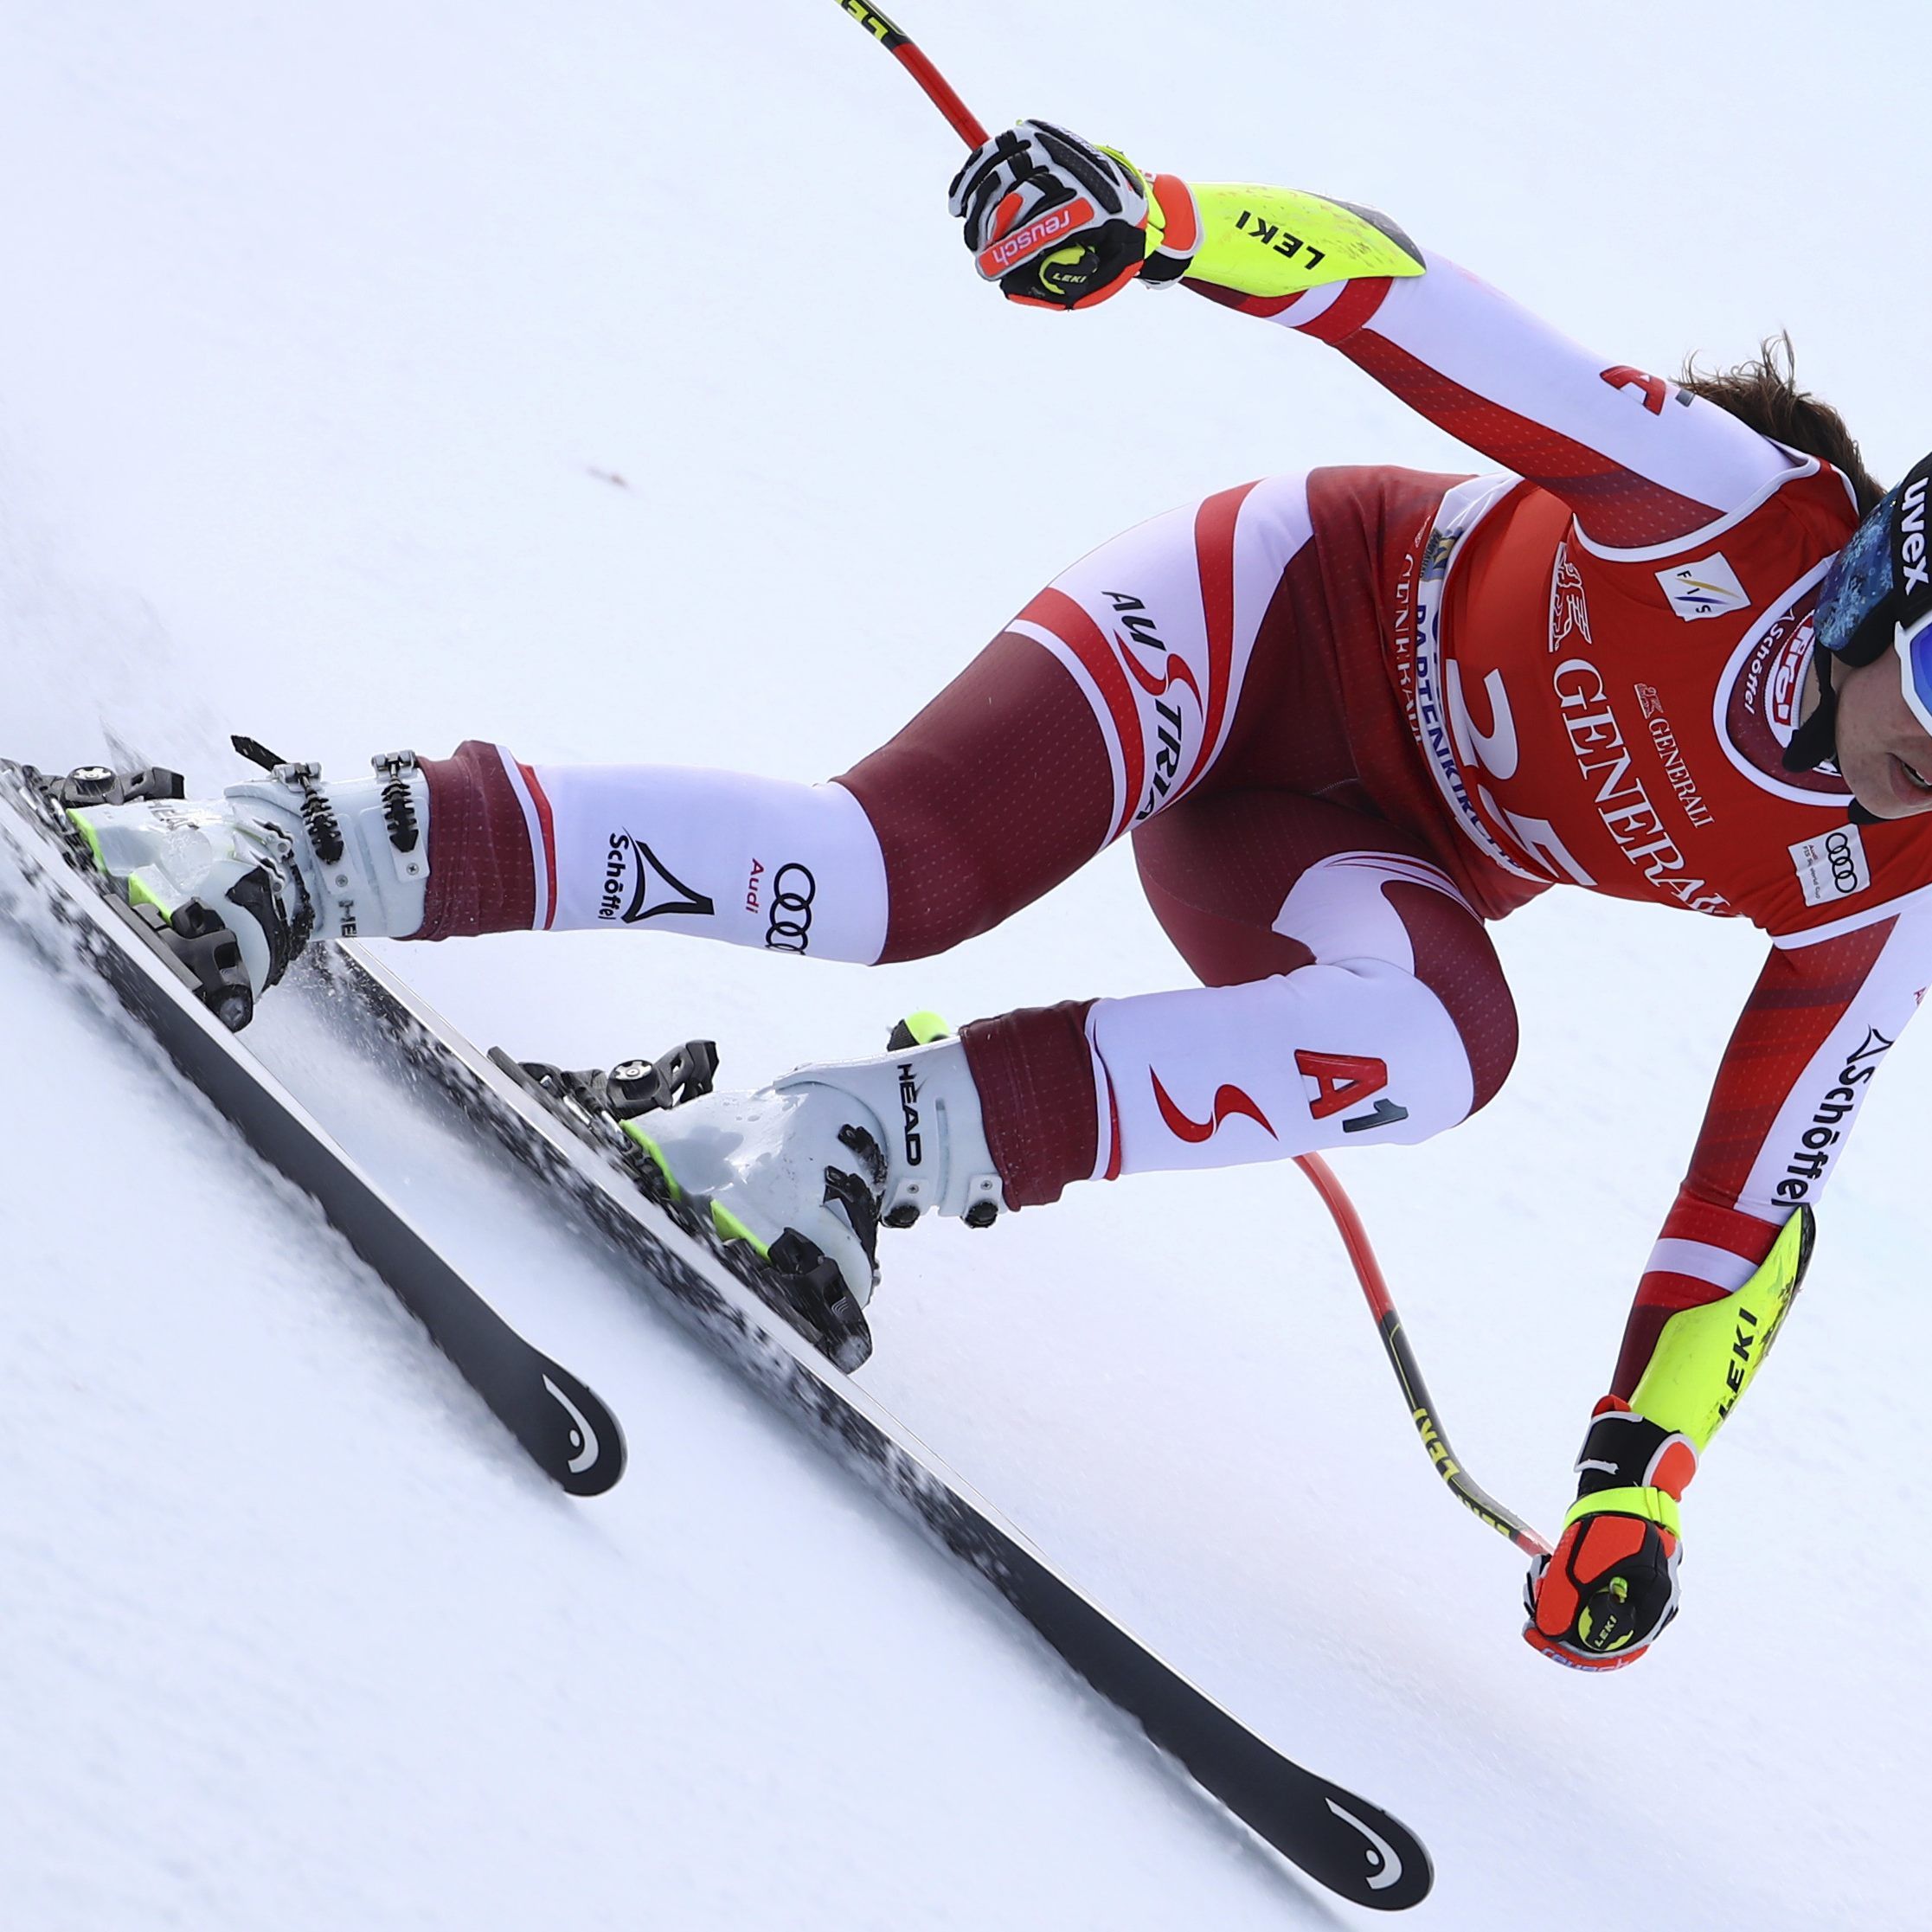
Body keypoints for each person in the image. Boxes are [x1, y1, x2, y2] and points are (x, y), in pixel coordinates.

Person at [66, 124, 1932, 1673]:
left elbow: (1748, 1203)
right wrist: (1150, 220)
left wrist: (1635, 1483)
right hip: (1259, 618)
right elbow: (1401, 295)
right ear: (1878, 599)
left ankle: (824, 1148)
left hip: (1328, 857)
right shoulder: (1719, 506)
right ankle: (304, 839)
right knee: (891, 872)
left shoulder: (1894, 885)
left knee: (1455, 1045)